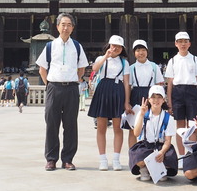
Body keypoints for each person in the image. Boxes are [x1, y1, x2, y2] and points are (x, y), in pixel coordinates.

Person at [36, 12, 88, 171]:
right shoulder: (50, 46)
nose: (66, 27)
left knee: (71, 125)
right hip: (54, 87)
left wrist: (74, 81)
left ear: (73, 28)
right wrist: (50, 85)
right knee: (52, 124)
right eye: (63, 24)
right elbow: (42, 69)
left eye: (69, 25)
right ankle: (51, 159)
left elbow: (82, 69)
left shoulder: (77, 46)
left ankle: (68, 159)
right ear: (57, 26)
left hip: (72, 88)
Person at [88, 35, 131, 171]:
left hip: (118, 91)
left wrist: (126, 101)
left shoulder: (124, 63)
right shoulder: (101, 59)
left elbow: (126, 83)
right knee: (101, 127)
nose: (115, 48)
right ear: (109, 45)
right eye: (113, 45)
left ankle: (116, 159)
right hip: (103, 90)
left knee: (118, 127)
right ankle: (103, 159)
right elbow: (95, 68)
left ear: (122, 48)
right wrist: (106, 56)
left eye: (118, 46)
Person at [164, 31, 197, 159]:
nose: (183, 44)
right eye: (180, 41)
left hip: (192, 92)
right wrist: (169, 101)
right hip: (177, 92)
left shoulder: (195, 59)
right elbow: (170, 83)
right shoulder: (172, 61)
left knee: (192, 126)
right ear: (176, 44)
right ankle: (182, 156)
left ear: (189, 44)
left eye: (185, 41)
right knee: (180, 125)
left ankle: (191, 154)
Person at [129, 85, 178, 182]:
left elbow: (168, 141)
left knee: (170, 157)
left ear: (163, 100)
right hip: (146, 145)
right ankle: (144, 169)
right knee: (137, 155)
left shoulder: (169, 118)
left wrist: (162, 152)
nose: (156, 100)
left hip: (161, 146)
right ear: (149, 100)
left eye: (159, 97)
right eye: (153, 97)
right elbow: (136, 133)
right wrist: (142, 115)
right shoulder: (143, 113)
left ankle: (161, 169)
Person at [127, 39, 164, 148]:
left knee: (151, 125)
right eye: (138, 50)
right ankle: (133, 154)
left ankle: (149, 153)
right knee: (133, 127)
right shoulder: (131, 68)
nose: (141, 53)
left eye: (143, 50)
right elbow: (128, 86)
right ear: (134, 53)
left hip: (151, 97)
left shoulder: (154, 67)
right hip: (136, 96)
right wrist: (127, 102)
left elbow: (159, 85)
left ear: (147, 51)